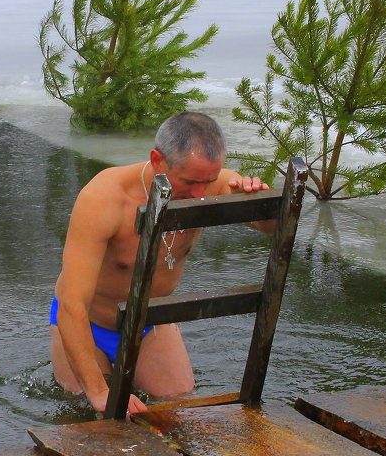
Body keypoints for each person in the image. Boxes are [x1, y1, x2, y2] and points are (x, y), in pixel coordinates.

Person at [49, 112, 272, 416]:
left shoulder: (212, 185)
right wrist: (100, 392)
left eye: (207, 182)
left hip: (150, 320)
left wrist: (262, 200)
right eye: (190, 182)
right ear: (158, 160)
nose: (199, 194)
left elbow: (270, 227)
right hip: (88, 323)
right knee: (91, 415)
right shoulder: (104, 198)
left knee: (177, 409)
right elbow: (71, 304)